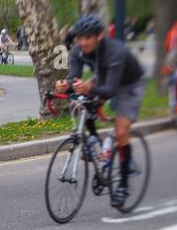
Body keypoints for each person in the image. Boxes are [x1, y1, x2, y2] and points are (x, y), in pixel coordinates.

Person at [55, 13, 146, 209]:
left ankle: (122, 185)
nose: (83, 42)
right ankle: (94, 139)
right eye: (80, 37)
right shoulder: (78, 51)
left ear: (100, 36)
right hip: (104, 77)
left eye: (88, 37)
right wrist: (66, 85)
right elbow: (74, 78)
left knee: (121, 132)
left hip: (129, 85)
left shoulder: (116, 52)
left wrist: (88, 88)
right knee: (79, 102)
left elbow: (111, 90)